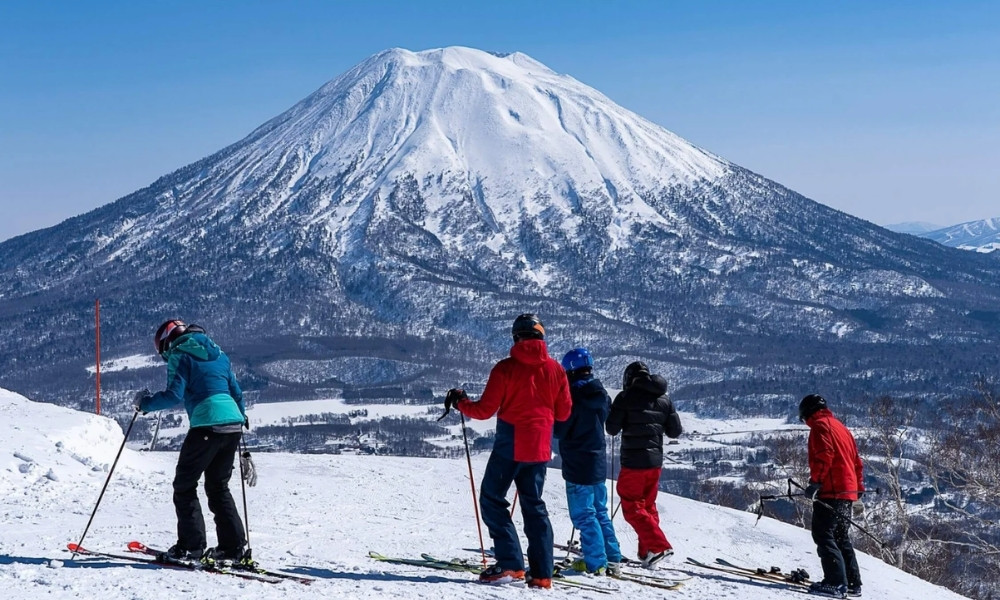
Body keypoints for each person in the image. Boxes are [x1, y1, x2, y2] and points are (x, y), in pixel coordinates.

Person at [445, 313, 572, 589]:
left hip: (511, 443)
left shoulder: (505, 369)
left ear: (516, 337)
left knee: (492, 498)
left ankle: (511, 564)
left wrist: (460, 403)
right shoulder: (557, 370)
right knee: (534, 506)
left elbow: (484, 411)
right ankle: (542, 574)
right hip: (540, 448)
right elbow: (563, 413)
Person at [134, 319, 250, 566]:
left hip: (207, 423)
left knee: (185, 484)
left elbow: (173, 395)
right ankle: (233, 548)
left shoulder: (180, 354)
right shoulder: (220, 355)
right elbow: (236, 393)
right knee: (218, 487)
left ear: (167, 341)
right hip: (233, 424)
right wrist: (241, 417)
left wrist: (144, 404)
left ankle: (191, 547)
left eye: (162, 349)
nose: (164, 355)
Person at [605, 361, 682, 568]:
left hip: (633, 463)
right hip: (655, 463)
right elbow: (674, 431)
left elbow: (612, 429)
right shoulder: (664, 399)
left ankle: (659, 546)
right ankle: (647, 551)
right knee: (647, 506)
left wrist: (613, 410)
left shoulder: (625, 398)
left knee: (631, 506)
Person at [553, 347, 623, 576]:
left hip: (577, 462)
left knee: (584, 514)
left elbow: (560, 430)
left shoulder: (572, 396)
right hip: (597, 459)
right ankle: (612, 558)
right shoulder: (601, 394)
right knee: (600, 510)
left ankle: (596, 562)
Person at [799, 394, 864, 599]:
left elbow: (823, 455)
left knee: (823, 534)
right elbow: (856, 460)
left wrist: (815, 482)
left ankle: (836, 583)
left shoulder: (820, 426)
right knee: (840, 536)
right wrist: (858, 486)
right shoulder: (841, 427)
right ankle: (853, 583)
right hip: (848, 490)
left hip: (832, 490)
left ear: (807, 412)